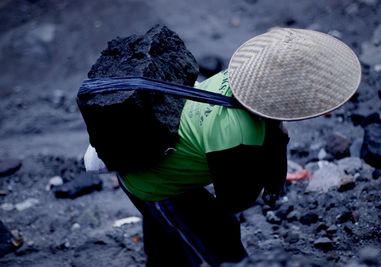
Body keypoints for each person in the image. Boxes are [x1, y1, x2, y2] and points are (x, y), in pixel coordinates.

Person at [80, 27, 361, 267]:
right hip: (154, 186)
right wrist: (271, 148)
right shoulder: (238, 134)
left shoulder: (237, 78)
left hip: (155, 162)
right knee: (220, 241)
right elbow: (234, 201)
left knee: (167, 237)